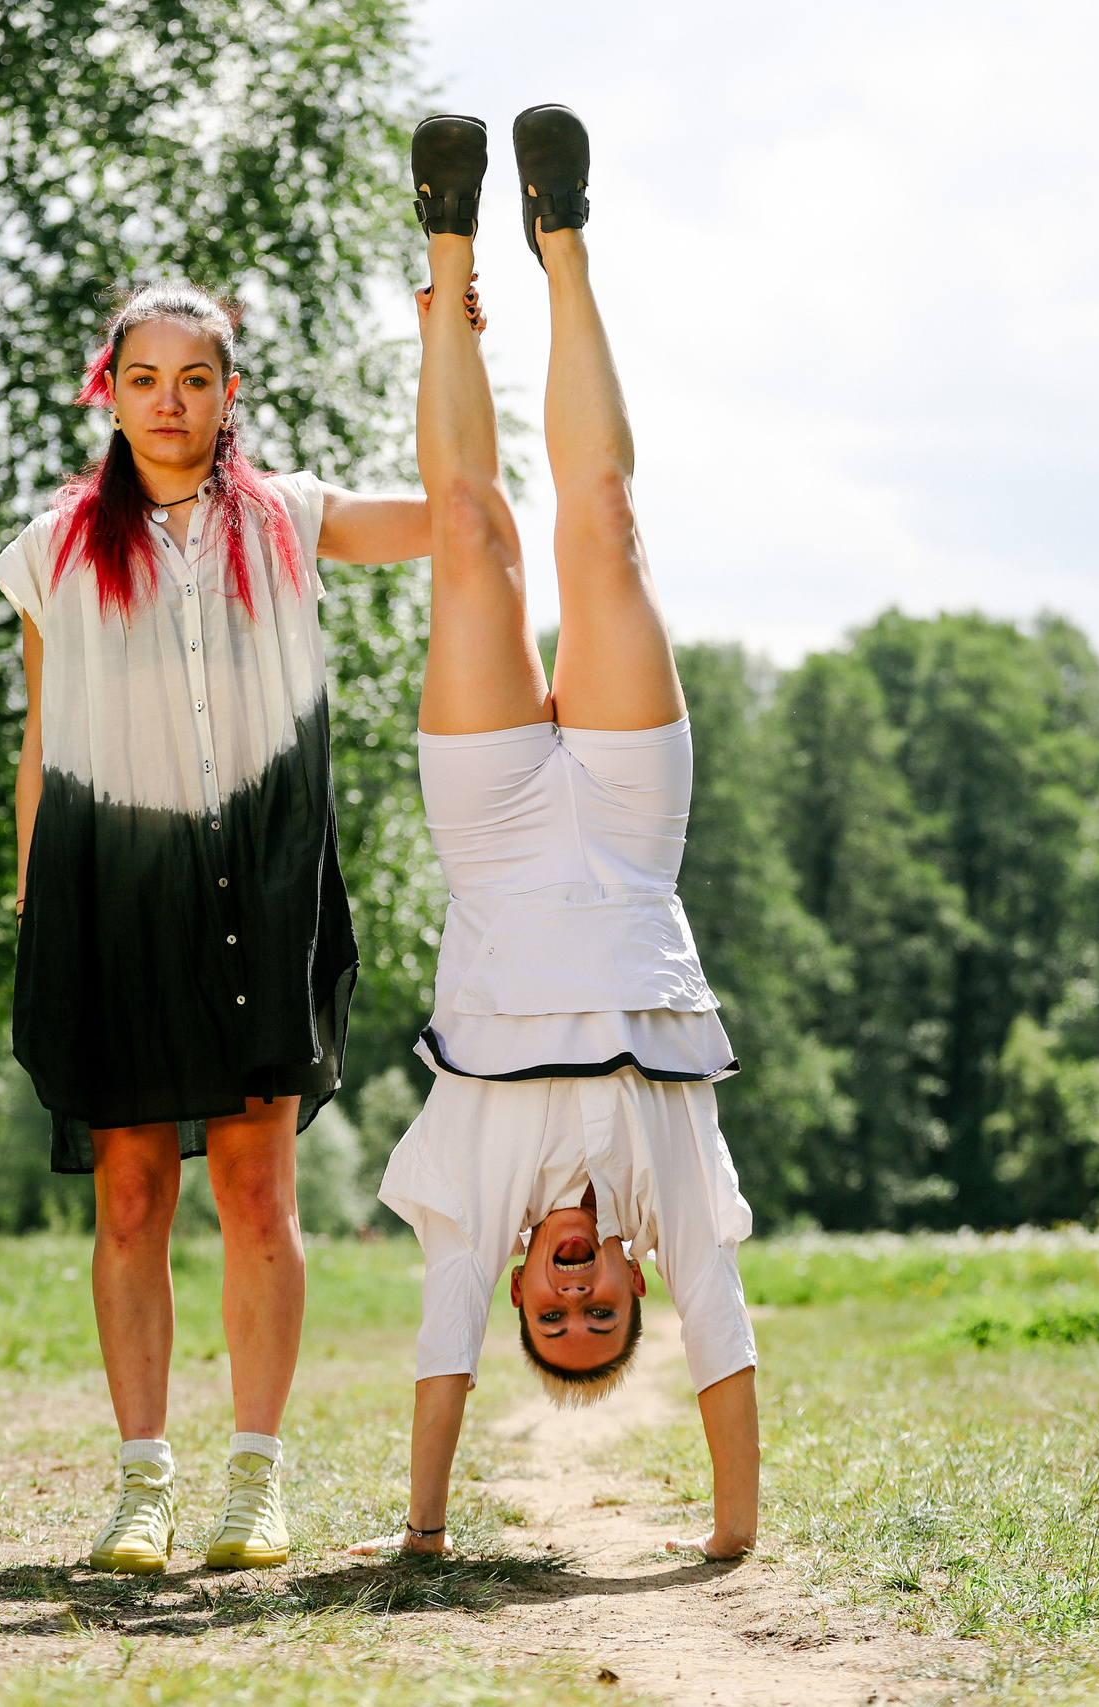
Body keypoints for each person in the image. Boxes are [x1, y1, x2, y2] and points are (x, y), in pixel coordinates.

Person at [351, 106, 761, 1565]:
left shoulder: (475, 1209)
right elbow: (729, 1341)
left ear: (524, 1287)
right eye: (604, 1316)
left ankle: (447, 241)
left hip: (499, 835)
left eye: (557, 1318)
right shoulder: (679, 1200)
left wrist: (422, 1531)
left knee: (471, 537)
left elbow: (437, 1359)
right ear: (635, 1283)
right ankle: (563, 238)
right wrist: (730, 1539)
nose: (577, 1298)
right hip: (637, 834)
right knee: (601, 528)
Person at [0, 281, 434, 1574]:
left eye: (195, 379)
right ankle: (141, 1481)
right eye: (145, 379)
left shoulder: (290, 520)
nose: (170, 402)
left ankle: (256, 1477)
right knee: (126, 1194)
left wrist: (443, 338)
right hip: (112, 894)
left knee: (256, 1188)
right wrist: (35, 910)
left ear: (229, 394)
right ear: (108, 390)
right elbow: (40, 742)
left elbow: (459, 508)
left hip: (256, 891)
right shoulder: (55, 547)